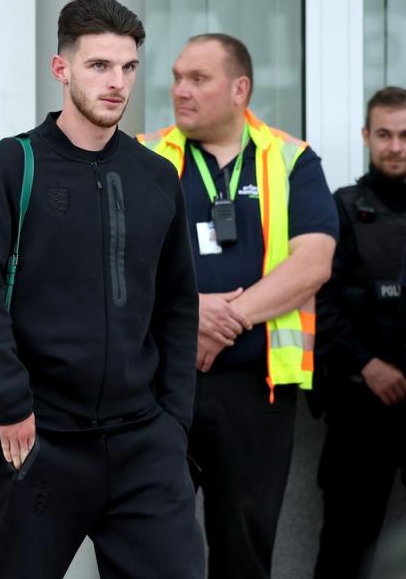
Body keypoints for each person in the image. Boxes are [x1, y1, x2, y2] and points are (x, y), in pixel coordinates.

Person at [0, 0, 204, 579]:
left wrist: (174, 422)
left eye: (128, 67)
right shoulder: (14, 165)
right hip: (42, 440)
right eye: (99, 66)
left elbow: (177, 307)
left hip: (145, 444)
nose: (117, 83)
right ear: (61, 69)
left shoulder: (156, 176)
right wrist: (11, 402)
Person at [138, 34, 338, 579]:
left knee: (244, 550)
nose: (180, 90)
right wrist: (188, 315)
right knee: (152, 547)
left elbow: (313, 263)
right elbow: (111, 262)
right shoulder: (144, 156)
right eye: (177, 77)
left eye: (197, 79)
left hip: (256, 391)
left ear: (239, 88)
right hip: (159, 388)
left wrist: (224, 319)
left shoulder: (292, 159)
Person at [312, 86, 406, 579]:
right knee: (347, 546)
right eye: (385, 134)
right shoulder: (343, 208)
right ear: (367, 137)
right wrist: (368, 365)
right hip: (359, 401)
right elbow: (318, 300)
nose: (396, 146)